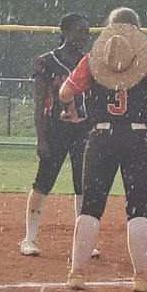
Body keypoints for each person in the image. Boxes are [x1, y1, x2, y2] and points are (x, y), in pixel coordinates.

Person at [58, 7, 147, 292]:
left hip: (101, 136)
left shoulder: (92, 60)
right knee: (138, 209)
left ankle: (77, 273)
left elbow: (65, 92)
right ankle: (141, 277)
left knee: (91, 207)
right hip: (138, 137)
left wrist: (70, 110)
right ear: (137, 31)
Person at [20, 13, 93, 258]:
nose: (83, 36)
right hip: (55, 128)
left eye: (86, 32)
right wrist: (41, 138)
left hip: (83, 128)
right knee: (43, 181)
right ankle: (30, 238)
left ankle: (84, 241)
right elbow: (39, 103)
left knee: (83, 184)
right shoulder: (47, 62)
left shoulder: (88, 62)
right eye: (79, 31)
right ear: (65, 31)